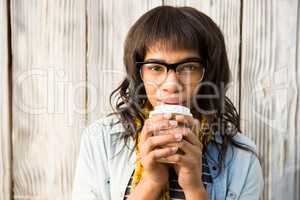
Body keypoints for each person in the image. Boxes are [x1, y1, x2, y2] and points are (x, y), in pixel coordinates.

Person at [72, 5, 264, 200]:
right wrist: (151, 182)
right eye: (156, 67)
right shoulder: (101, 141)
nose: (171, 85)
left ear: (210, 73)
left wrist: (194, 187)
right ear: (139, 75)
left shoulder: (242, 158)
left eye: (189, 67)